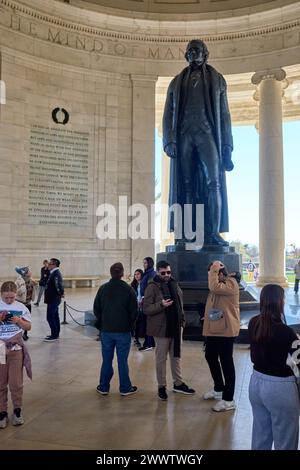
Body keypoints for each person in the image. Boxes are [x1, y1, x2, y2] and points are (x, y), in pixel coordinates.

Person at [163, 39, 233, 246]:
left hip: (207, 134)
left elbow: (225, 115)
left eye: (197, 50)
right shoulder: (176, 82)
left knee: (214, 183)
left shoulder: (217, 80)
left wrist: (227, 147)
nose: (194, 53)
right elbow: (168, 114)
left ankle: (212, 233)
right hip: (184, 135)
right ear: (186, 55)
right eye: (190, 51)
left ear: (205, 53)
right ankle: (187, 234)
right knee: (186, 187)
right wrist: (169, 141)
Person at [248, 284, 300, 450]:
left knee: (260, 437)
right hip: (281, 388)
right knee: (285, 441)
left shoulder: (253, 323)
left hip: (256, 383)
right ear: (280, 302)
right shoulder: (287, 332)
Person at [143, 260, 195, 400]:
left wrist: (182, 321)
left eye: (169, 272)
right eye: (163, 273)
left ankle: (178, 383)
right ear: (158, 272)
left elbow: (180, 303)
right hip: (161, 329)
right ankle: (161, 386)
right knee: (161, 359)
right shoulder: (152, 287)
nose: (166, 275)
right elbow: (146, 309)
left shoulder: (174, 283)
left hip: (176, 327)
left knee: (176, 357)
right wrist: (161, 304)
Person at [93, 262, 138, 396]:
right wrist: (130, 325)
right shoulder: (129, 289)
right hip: (123, 331)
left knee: (106, 360)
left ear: (111, 273)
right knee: (122, 361)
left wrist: (103, 322)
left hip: (106, 331)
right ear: (122, 273)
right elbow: (134, 312)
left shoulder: (103, 288)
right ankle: (125, 388)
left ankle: (104, 387)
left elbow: (96, 309)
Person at [202, 260, 240, 412]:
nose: (210, 276)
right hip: (214, 327)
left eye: (212, 272)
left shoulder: (230, 283)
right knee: (210, 356)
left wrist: (214, 269)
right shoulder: (219, 285)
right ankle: (219, 389)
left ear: (220, 272)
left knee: (226, 362)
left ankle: (228, 399)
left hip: (226, 330)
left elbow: (214, 287)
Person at [0, 281, 32, 429]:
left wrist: (19, 320)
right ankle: (2, 413)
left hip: (16, 349)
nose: (9, 300)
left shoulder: (20, 307)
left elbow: (28, 327)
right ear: (1, 294)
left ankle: (17, 411)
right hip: (0, 349)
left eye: (11, 297)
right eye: (6, 298)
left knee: (16, 383)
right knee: (0, 383)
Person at [44, 258, 64, 342]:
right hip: (53, 298)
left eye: (50, 263)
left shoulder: (55, 273)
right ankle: (55, 333)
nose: (48, 265)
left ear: (54, 265)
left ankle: (54, 335)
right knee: (55, 316)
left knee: (50, 317)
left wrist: (60, 294)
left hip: (53, 299)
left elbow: (58, 285)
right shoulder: (53, 272)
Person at [138, 257, 156, 351]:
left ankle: (148, 343)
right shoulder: (147, 273)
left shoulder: (151, 274)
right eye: (143, 263)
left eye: (145, 263)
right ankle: (150, 343)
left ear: (149, 263)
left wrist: (144, 298)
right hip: (145, 300)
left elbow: (150, 288)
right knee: (146, 322)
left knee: (147, 323)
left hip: (147, 302)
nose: (143, 264)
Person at [15, 267, 36, 341]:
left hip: (28, 303)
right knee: (19, 319)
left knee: (27, 319)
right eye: (29, 271)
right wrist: (21, 289)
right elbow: (15, 292)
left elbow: (32, 290)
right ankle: (18, 334)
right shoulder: (18, 281)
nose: (30, 272)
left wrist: (35, 285)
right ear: (25, 273)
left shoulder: (31, 280)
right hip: (20, 303)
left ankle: (25, 334)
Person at [130, 269, 144, 348]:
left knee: (139, 322)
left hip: (142, 306)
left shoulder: (144, 284)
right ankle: (136, 338)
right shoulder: (133, 285)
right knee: (136, 322)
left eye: (138, 274)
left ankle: (137, 338)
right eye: (135, 274)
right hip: (135, 306)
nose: (136, 276)